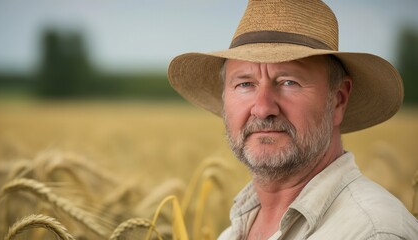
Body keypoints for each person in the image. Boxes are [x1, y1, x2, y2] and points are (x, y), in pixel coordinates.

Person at [168, 0, 418, 239]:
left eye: (289, 82)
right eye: (245, 83)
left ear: (338, 99)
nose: (263, 108)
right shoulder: (232, 233)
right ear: (224, 99)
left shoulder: (374, 232)